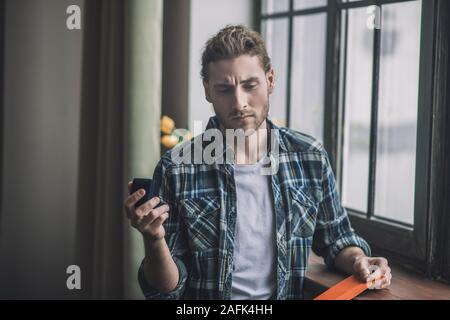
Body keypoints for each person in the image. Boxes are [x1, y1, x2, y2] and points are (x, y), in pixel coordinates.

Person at [124, 25, 392, 300]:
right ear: (207, 90)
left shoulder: (309, 156)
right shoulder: (177, 168)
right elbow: (167, 290)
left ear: (271, 79)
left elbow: (337, 240)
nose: (239, 102)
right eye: (224, 89)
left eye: (250, 86)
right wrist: (154, 239)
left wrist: (360, 260)